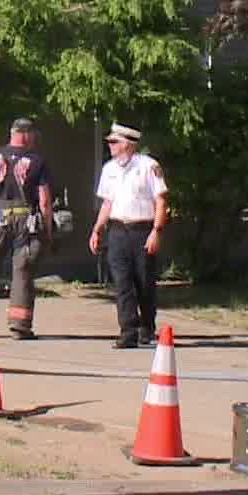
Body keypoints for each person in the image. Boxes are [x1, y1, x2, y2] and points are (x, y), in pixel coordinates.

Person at [0, 117, 54, 340]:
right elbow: (44, 200)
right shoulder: (36, 161)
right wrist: (47, 229)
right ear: (24, 134)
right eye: (32, 134)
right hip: (26, 222)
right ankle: (20, 326)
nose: (34, 138)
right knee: (22, 271)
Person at [89, 122, 167, 349]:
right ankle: (128, 331)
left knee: (144, 282)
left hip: (142, 229)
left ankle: (146, 328)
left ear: (129, 144)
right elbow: (107, 203)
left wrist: (156, 231)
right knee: (122, 283)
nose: (110, 146)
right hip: (117, 231)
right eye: (110, 142)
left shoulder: (148, 166)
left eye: (115, 142)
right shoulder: (109, 169)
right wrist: (97, 229)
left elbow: (161, 201)